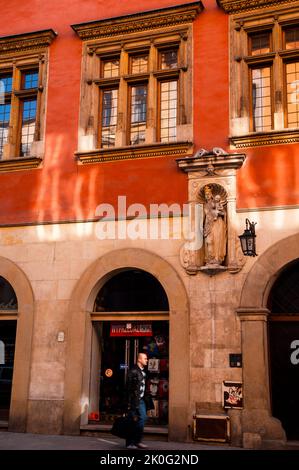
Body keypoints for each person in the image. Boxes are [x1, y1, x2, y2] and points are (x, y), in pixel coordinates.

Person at [126, 352, 152, 449]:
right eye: (145, 358)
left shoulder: (143, 372)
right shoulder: (133, 371)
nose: (147, 360)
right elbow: (128, 388)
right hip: (133, 400)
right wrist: (129, 403)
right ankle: (130, 443)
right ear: (139, 360)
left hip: (140, 400)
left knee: (142, 418)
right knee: (132, 421)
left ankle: (137, 441)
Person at [203, 186, 227, 265]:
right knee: (209, 241)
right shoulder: (206, 205)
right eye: (205, 194)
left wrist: (218, 212)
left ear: (211, 194)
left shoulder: (216, 203)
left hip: (218, 223)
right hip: (209, 224)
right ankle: (210, 258)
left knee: (217, 240)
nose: (207, 195)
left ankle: (217, 258)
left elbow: (223, 213)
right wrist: (216, 213)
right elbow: (207, 214)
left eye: (208, 193)